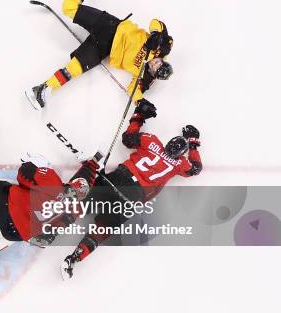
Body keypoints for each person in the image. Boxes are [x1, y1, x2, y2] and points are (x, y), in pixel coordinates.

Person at [61, 99, 203, 279]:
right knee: (104, 227)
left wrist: (140, 116)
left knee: (81, 204)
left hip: (119, 178)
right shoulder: (180, 164)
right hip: (133, 196)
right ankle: (74, 258)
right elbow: (196, 168)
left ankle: (50, 224)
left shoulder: (151, 140)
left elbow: (127, 138)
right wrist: (193, 143)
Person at [25, 0, 174, 111]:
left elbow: (133, 90)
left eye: (154, 68)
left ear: (153, 73)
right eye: (158, 62)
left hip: (104, 48)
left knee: (74, 68)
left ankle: (43, 88)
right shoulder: (164, 47)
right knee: (68, 7)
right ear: (162, 59)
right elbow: (157, 22)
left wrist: (141, 102)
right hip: (110, 27)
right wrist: (156, 34)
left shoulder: (145, 75)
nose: (154, 63)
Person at [0, 153, 100, 270]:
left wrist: (34, 163)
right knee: (24, 228)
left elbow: (22, 176)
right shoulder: (74, 213)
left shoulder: (52, 181)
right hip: (14, 233)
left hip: (4, 207)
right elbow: (45, 241)